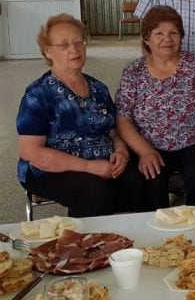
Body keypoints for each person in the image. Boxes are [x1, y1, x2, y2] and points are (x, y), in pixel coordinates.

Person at [16, 14, 143, 217]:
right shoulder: (38, 95)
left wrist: (121, 152)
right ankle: (84, 245)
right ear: (47, 51)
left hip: (103, 161)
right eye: (64, 45)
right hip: (51, 169)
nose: (74, 50)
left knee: (140, 180)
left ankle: (129, 242)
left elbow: (112, 132)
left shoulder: (98, 88)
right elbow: (31, 153)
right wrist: (89, 167)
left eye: (78, 42)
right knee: (96, 192)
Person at [116, 6, 195, 208]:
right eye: (159, 33)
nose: (167, 39)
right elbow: (123, 118)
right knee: (149, 178)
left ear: (181, 37)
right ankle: (157, 235)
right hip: (150, 143)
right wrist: (143, 151)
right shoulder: (133, 71)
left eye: (173, 33)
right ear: (146, 39)